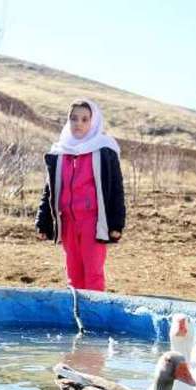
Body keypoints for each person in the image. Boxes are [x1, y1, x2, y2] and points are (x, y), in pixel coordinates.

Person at [35, 99, 126, 292]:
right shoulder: (59, 152)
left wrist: (117, 223)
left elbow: (116, 189)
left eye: (85, 119)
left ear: (93, 122)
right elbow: (49, 190)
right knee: (73, 275)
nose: (79, 123)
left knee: (93, 273)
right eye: (74, 118)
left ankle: (94, 320)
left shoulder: (104, 151)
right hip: (67, 222)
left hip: (92, 223)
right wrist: (43, 222)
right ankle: (76, 319)